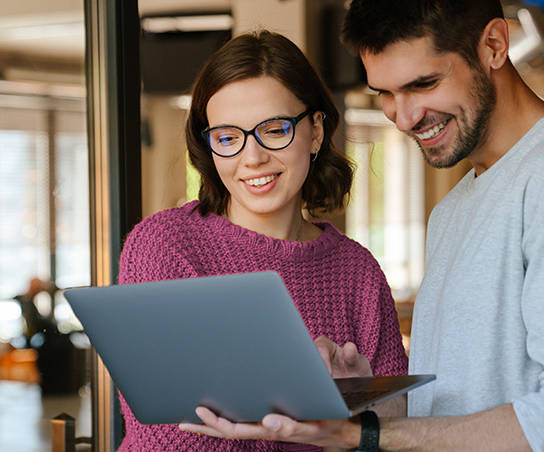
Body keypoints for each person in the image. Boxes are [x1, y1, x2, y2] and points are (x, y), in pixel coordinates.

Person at [179, 0, 544, 451]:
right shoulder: (455, 209)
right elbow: (445, 420)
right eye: (386, 93)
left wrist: (369, 432)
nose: (404, 116)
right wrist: (364, 401)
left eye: (424, 84)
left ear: (495, 45)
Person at [116, 30, 409, 451]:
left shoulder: (357, 272)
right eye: (228, 137)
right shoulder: (164, 246)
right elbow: (164, 437)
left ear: (315, 131)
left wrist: (357, 407)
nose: (251, 158)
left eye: (273, 130)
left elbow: (393, 433)